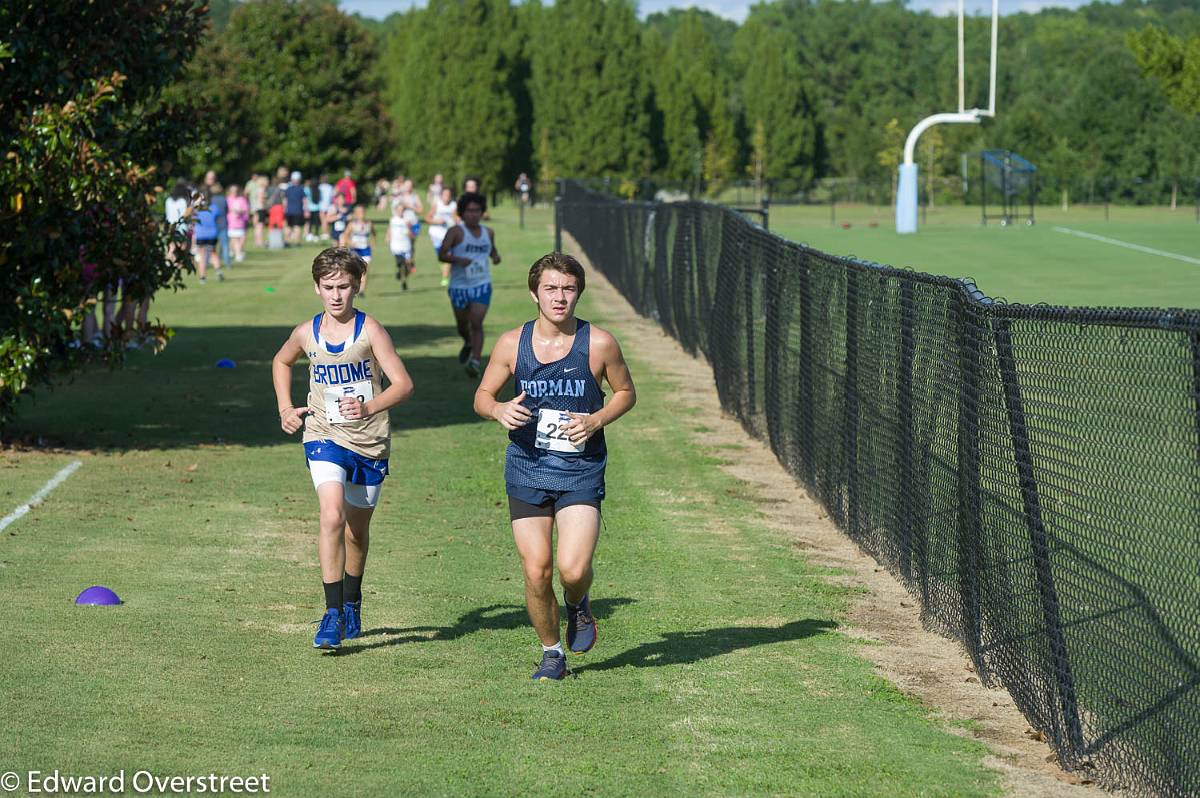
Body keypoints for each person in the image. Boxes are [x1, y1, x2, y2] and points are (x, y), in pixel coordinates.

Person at [473, 252, 636, 681]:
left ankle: (578, 603)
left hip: (580, 468)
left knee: (573, 570)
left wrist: (596, 419)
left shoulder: (598, 343)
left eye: (568, 289)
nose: (560, 297)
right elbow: (482, 396)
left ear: (578, 293)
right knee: (536, 569)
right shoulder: (513, 343)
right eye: (551, 288)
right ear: (534, 294)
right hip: (527, 466)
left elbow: (624, 392)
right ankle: (552, 653)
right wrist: (498, 410)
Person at [272, 248, 414, 650]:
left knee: (356, 531)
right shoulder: (306, 333)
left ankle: (352, 599)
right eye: (329, 287)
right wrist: (286, 407)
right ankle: (331, 613)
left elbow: (403, 385)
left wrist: (368, 406)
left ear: (357, 287)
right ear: (317, 288)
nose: (337, 296)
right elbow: (281, 362)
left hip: (369, 441)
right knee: (331, 515)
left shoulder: (371, 332)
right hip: (323, 433)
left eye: (345, 287)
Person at [438, 191, 499, 377]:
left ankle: (475, 361)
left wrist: (496, 257)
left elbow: (493, 252)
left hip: (481, 284)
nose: (473, 214)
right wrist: (457, 259)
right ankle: (468, 342)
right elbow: (442, 254)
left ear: (482, 212)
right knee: (462, 325)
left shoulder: (488, 232)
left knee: (476, 322)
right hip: (458, 286)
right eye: (469, 211)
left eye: (477, 210)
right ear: (462, 213)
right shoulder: (455, 232)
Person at [426, 187, 457, 287]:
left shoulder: (453, 205)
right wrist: (437, 221)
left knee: (448, 256)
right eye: (445, 195)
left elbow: (456, 217)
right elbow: (427, 218)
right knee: (441, 258)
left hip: (448, 235)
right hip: (436, 234)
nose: (446, 197)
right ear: (441, 196)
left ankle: (445, 279)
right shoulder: (437, 205)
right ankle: (445, 268)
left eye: (448, 195)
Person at [341, 204, 375, 296]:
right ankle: (352, 287)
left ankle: (362, 290)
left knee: (365, 270)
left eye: (363, 212)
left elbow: (373, 233)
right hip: (355, 250)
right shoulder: (352, 224)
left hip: (365, 249)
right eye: (359, 213)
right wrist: (350, 242)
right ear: (355, 214)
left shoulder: (369, 223)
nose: (361, 214)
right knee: (354, 270)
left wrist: (372, 242)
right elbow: (345, 235)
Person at [192, 188, 223, 283]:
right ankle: (218, 271)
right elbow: (218, 219)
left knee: (202, 255)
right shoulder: (214, 207)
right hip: (212, 234)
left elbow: (193, 219)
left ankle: (202, 277)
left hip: (201, 234)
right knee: (213, 252)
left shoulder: (196, 209)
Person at [386, 201, 418, 291]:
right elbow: (389, 229)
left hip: (406, 245)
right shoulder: (393, 220)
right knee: (400, 262)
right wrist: (387, 237)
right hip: (396, 245)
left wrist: (409, 231)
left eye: (402, 210)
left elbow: (412, 235)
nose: (401, 212)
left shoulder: (407, 221)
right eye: (399, 210)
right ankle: (400, 272)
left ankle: (403, 280)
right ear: (395, 210)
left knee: (408, 266)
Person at [226, 183, 249, 263]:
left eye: (235, 191)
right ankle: (238, 255)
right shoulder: (228, 199)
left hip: (241, 222)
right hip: (231, 222)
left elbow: (246, 209)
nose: (234, 192)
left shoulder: (242, 199)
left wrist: (240, 211)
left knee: (241, 240)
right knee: (234, 239)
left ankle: (234, 251)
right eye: (232, 191)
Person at [285, 171, 307, 246]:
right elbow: (304, 201)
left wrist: (285, 209)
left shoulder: (288, 189)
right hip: (298, 211)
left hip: (289, 211)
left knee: (288, 226)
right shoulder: (301, 189)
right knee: (297, 226)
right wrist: (306, 210)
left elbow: (285, 200)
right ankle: (297, 242)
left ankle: (287, 242)